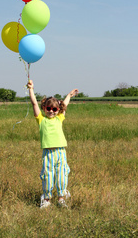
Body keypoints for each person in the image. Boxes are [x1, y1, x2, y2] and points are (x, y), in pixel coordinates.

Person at [27, 80, 78, 209]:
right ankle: (47, 199)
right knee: (47, 176)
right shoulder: (41, 119)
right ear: (44, 108)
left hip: (61, 152)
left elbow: (65, 104)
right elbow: (34, 103)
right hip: (48, 153)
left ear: (58, 110)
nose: (51, 111)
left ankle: (61, 198)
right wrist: (31, 89)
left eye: (54, 109)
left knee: (62, 176)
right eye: (48, 108)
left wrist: (69, 95)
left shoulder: (59, 117)